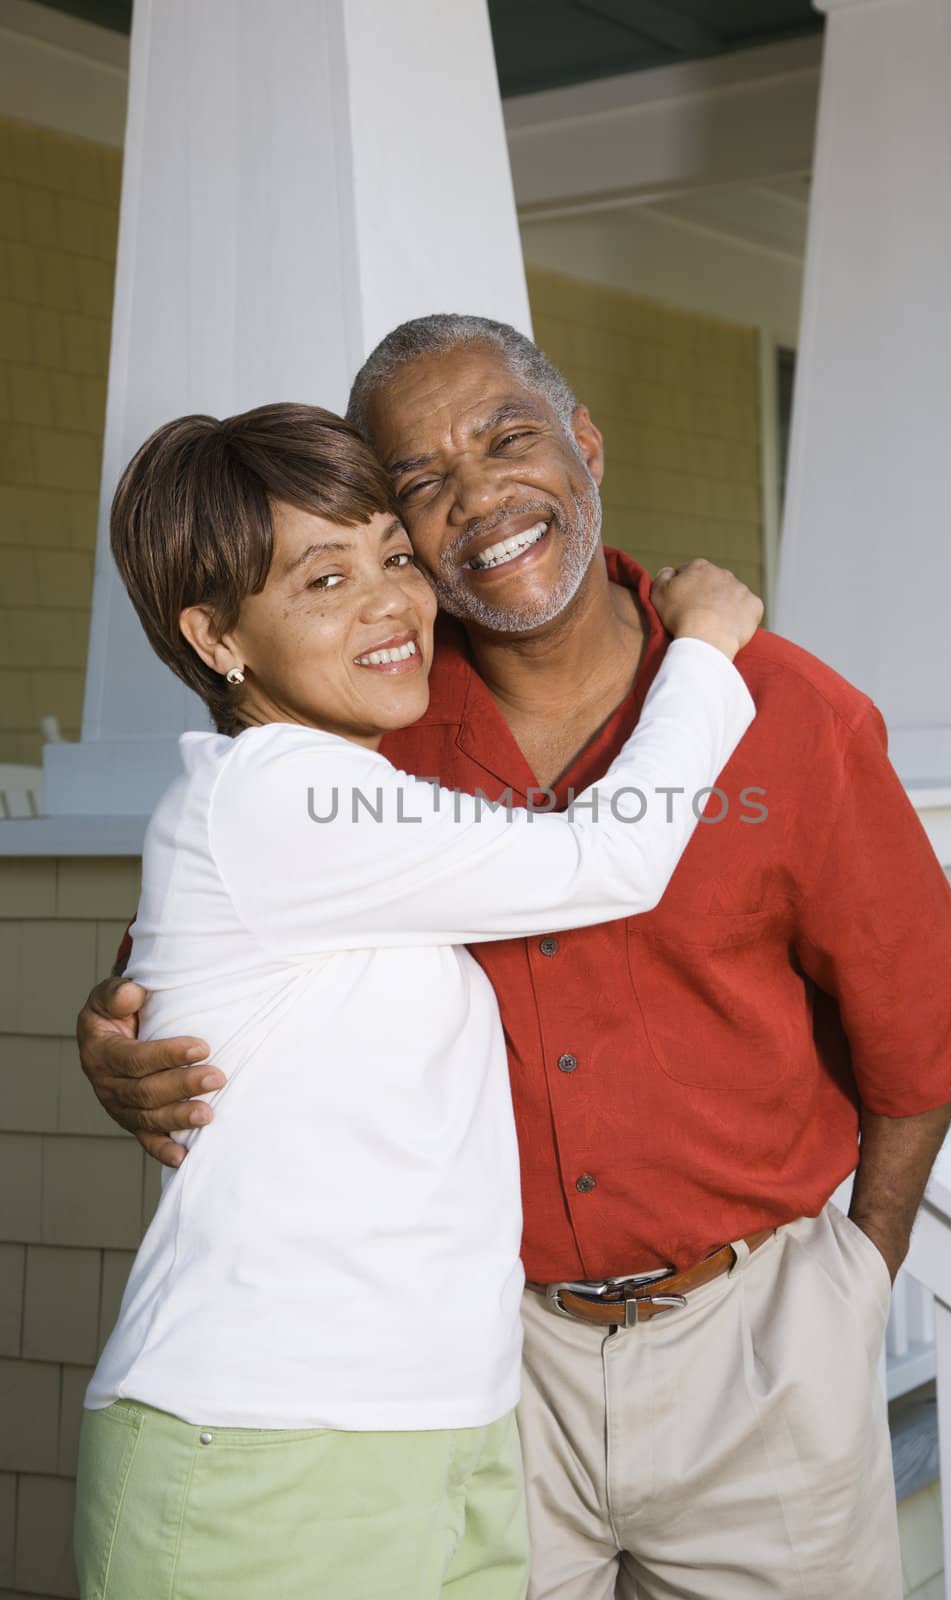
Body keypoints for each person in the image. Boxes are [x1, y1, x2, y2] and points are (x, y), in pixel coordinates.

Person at [77, 318, 951, 1600]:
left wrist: (853, 1281)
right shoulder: (368, 716)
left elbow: (923, 1027)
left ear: (585, 445)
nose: (473, 499)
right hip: (486, 1368)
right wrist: (114, 1042)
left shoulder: (785, 711)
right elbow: (190, 961)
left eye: (505, 437)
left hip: (750, 1345)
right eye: (417, 482)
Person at [72, 400, 760, 1600]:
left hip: (447, 1422)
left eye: (394, 555)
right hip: (265, 1444)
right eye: (324, 577)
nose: (390, 601)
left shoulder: (341, 794)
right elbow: (605, 859)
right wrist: (700, 646)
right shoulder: (275, 793)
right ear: (215, 636)